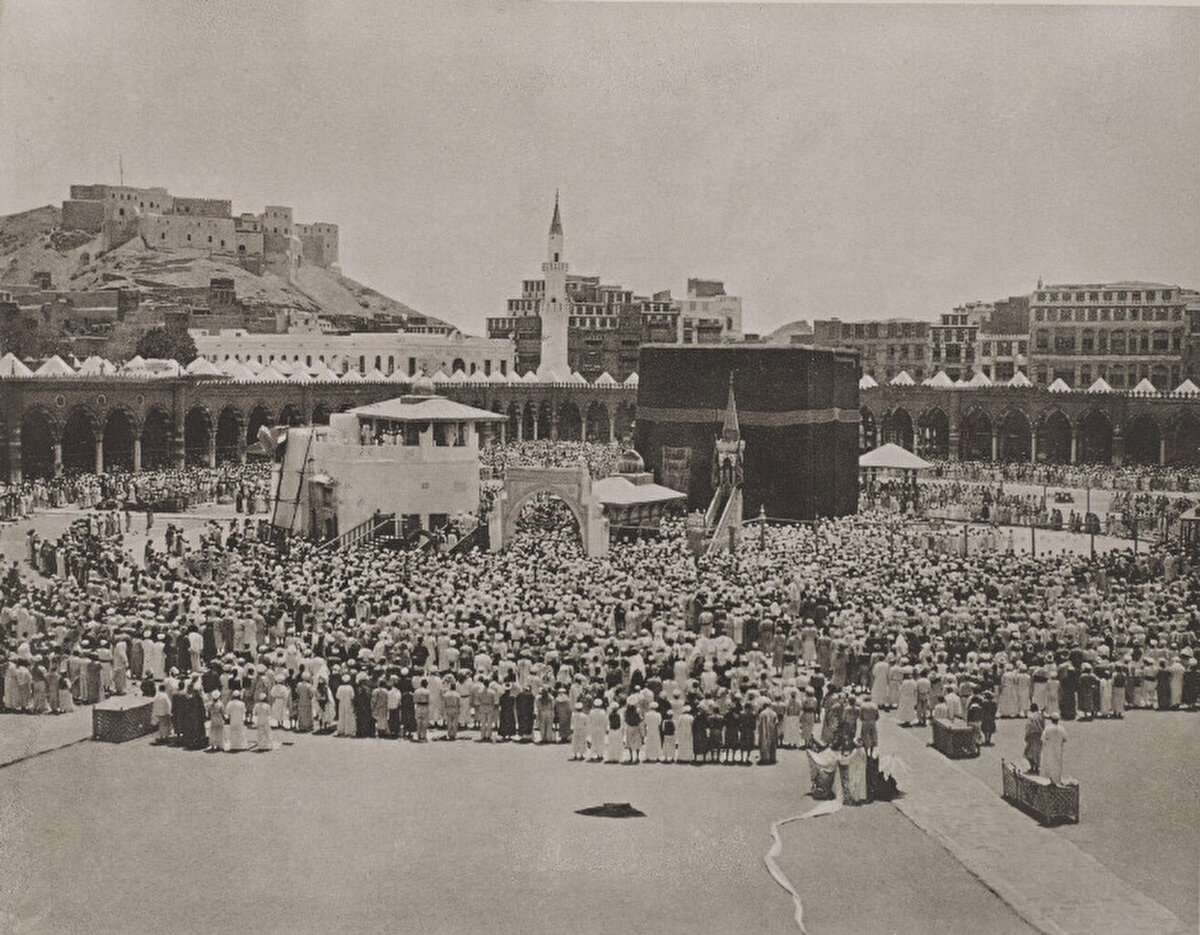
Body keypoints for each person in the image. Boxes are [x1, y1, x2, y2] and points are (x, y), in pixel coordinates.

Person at [1041, 714, 1067, 784]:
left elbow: (1043, 738)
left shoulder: (1047, 728)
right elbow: (1065, 739)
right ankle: (1057, 780)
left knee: (1050, 763)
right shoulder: (1062, 729)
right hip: (1058, 748)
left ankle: (1051, 780)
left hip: (1050, 748)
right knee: (1058, 764)